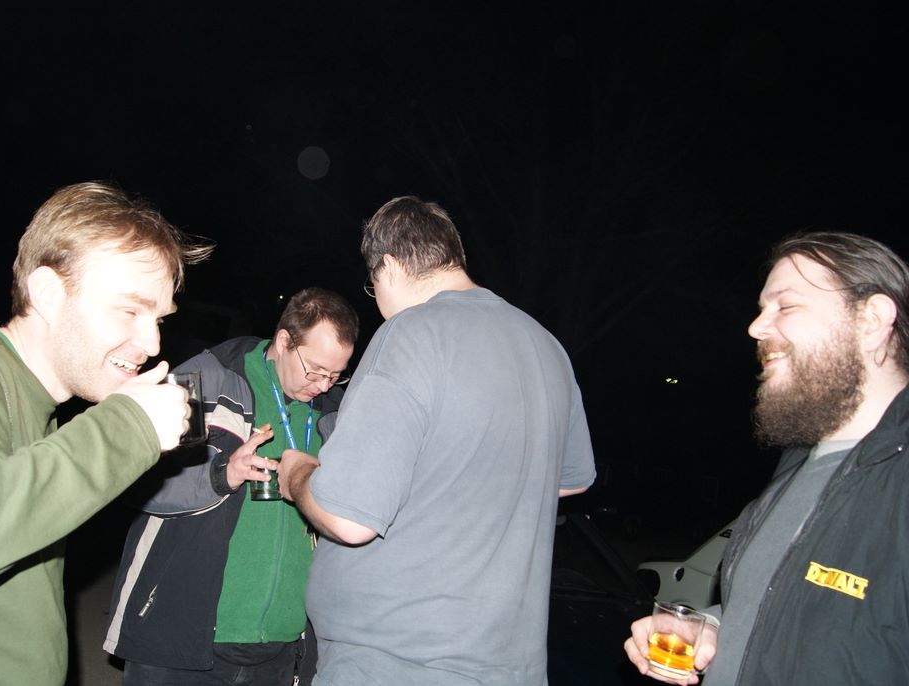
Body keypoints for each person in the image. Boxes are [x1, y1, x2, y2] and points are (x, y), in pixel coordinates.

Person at [0, 181, 213, 685]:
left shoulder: (37, 403)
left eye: (159, 319)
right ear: (47, 293)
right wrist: (129, 425)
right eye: (130, 310)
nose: (152, 343)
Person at [277, 196, 597, 686]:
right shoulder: (548, 347)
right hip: (509, 665)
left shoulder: (411, 333)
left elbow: (349, 520)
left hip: (395, 661)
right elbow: (571, 481)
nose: (378, 301)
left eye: (373, 286)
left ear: (388, 267)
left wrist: (298, 473)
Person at [624, 231, 909, 685]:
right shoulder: (796, 467)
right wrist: (713, 627)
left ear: (872, 320)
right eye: (761, 308)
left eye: (786, 306)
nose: (756, 327)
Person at [104, 287, 359, 685]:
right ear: (284, 341)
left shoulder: (335, 416)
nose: (324, 385)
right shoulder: (202, 381)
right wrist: (222, 474)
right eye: (315, 370)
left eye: (336, 374)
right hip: (181, 634)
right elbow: (139, 480)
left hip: (281, 646)